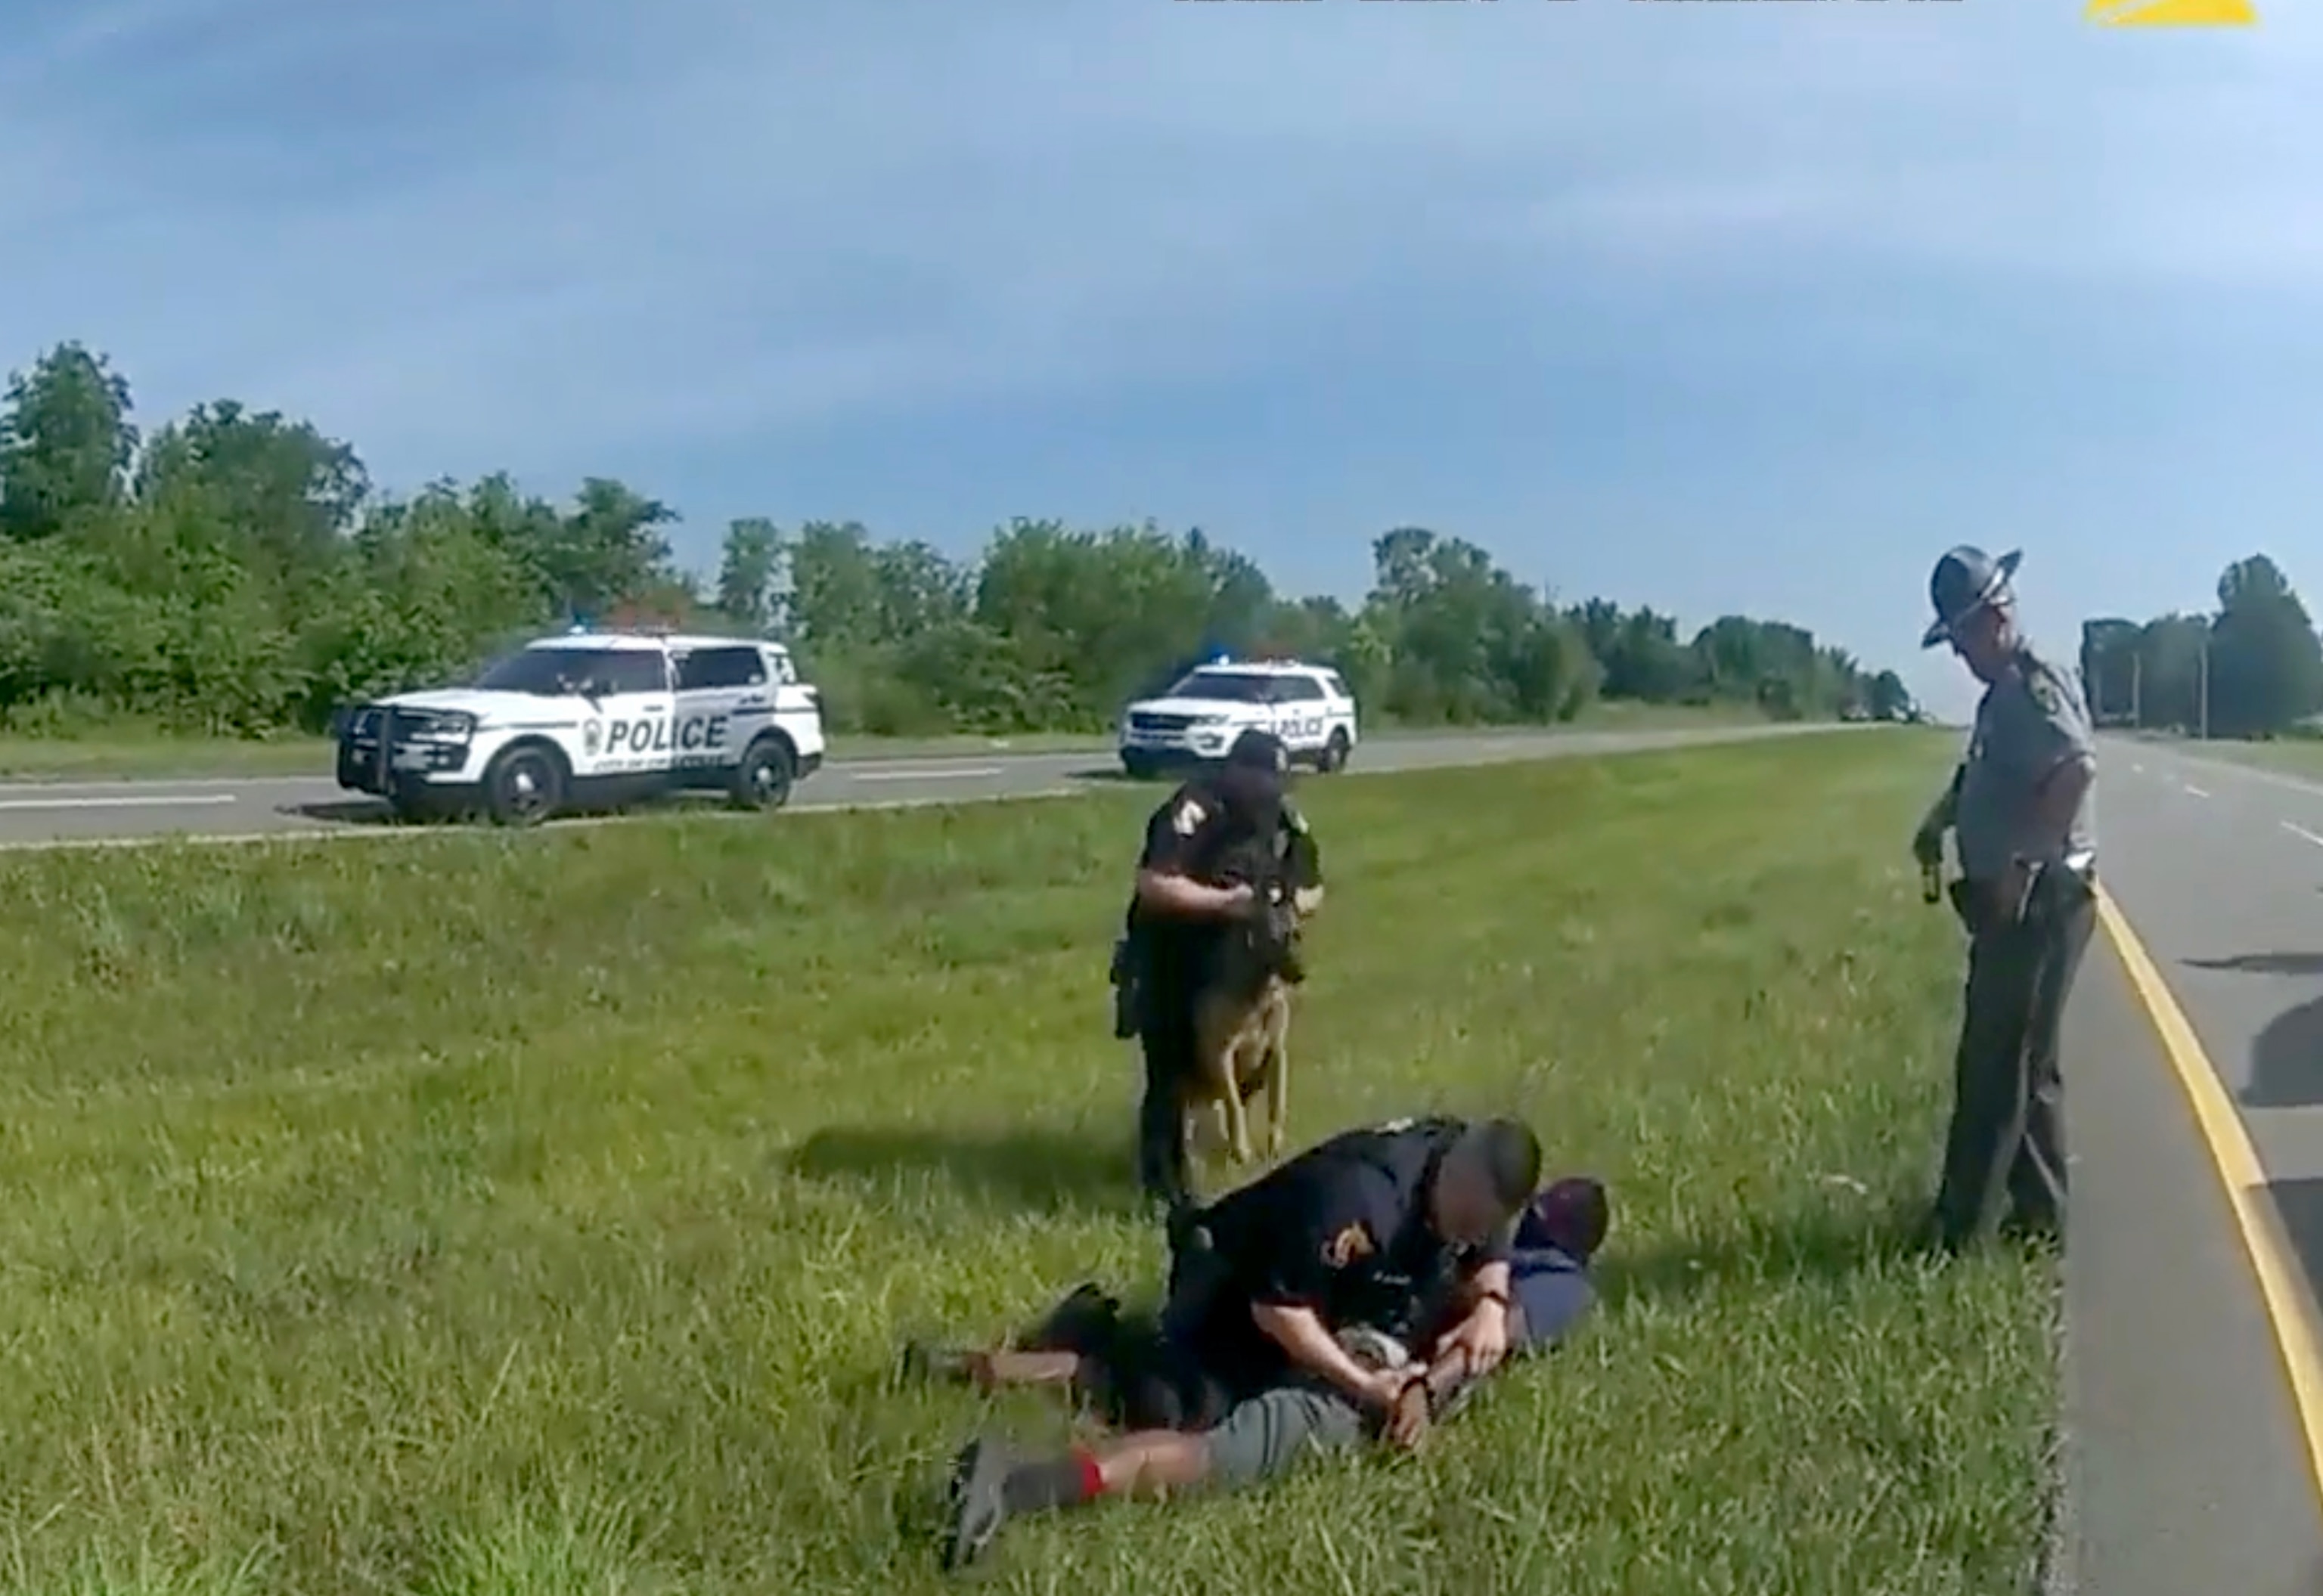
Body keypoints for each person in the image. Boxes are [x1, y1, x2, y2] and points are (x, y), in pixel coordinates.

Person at [926, 1114, 1543, 1573]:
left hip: (1315, 1295)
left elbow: (1494, 1239)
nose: (1473, 1239)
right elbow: (1278, 1311)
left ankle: (1036, 1356)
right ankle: (1045, 1415)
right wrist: (1368, 1386)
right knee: (1182, 1406)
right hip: (1227, 1273)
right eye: (1467, 1224)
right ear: (1455, 1176)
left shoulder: (1463, 1167)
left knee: (1153, 1391)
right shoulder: (1365, 1200)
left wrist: (1490, 1303)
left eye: (1484, 1230)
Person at [1912, 545, 2098, 1254]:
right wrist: (1940, 822)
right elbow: (1983, 776)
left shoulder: (2031, 684)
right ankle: (2043, 1215)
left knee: (1994, 1060)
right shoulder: (2001, 698)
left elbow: (2074, 769)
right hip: (2020, 898)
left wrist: (2022, 862)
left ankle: (1958, 1230)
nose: (1959, 654)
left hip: (2043, 899)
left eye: (1963, 637)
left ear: (1996, 617)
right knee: (2027, 1060)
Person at [1111, 727, 1324, 1210]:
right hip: (1173, 957)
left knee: (1250, 1064)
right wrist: (1227, 903)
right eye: (1261, 782)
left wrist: (1287, 905)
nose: (1269, 794)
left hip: (1244, 962)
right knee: (1171, 1070)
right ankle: (1165, 1186)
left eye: (1277, 783)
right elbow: (1154, 883)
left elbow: (1314, 886)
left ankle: (1226, 1151)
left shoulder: (1285, 819)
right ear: (1235, 772)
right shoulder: (1194, 808)